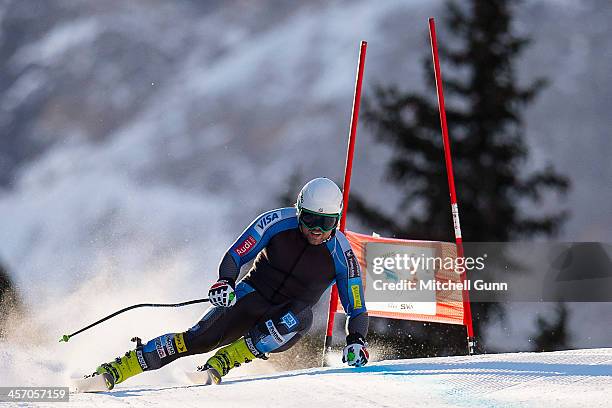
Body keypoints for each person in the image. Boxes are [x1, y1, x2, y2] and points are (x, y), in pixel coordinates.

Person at [93, 177, 369, 388]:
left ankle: (226, 360)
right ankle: (118, 369)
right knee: (198, 339)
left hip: (289, 315)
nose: (317, 229)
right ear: (298, 211)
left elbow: (356, 307)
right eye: (310, 219)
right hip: (251, 295)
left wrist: (356, 340)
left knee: (301, 317)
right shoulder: (275, 222)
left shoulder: (342, 254)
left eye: (326, 222)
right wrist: (224, 282)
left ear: (337, 219)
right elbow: (237, 254)